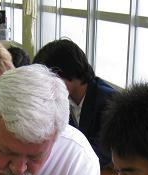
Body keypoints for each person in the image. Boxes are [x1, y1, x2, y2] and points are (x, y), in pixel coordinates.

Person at [33, 38, 115, 166]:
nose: (45, 86)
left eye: (49, 79)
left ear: (67, 72)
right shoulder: (63, 98)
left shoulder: (108, 100)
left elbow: (103, 152)